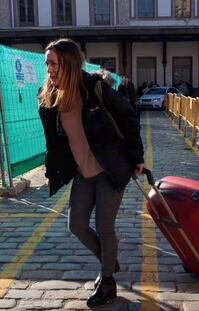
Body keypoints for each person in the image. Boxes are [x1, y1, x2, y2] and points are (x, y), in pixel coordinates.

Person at [38, 38, 145, 307]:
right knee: (75, 224)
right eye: (47, 63)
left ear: (69, 64)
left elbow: (128, 116)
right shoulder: (49, 96)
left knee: (104, 227)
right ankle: (110, 262)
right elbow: (54, 140)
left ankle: (108, 281)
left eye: (53, 63)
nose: (48, 68)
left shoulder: (95, 88)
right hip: (83, 172)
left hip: (110, 168)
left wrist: (137, 158)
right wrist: (53, 168)